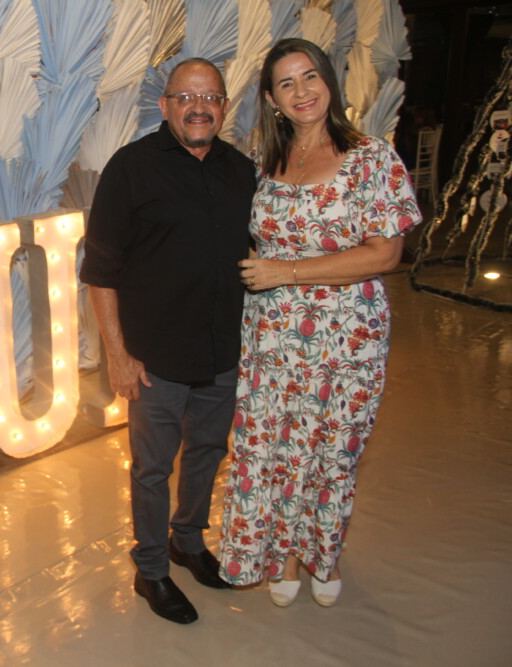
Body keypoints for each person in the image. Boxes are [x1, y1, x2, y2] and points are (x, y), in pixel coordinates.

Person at [218, 38, 421, 607]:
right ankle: (282, 558)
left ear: (328, 80)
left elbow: (385, 254)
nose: (301, 91)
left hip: (346, 338)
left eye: (310, 76)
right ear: (272, 99)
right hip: (271, 336)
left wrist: (286, 271)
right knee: (273, 449)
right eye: (286, 83)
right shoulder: (264, 160)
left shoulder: (371, 157)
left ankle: (322, 556)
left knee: (332, 452)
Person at [80, 58, 255, 624]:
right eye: (186, 97)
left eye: (210, 97)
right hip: (154, 359)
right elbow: (100, 272)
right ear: (165, 106)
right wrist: (118, 355)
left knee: (208, 453)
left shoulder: (241, 170)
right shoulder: (131, 168)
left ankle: (188, 541)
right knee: (152, 469)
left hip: (222, 353)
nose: (198, 107)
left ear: (224, 107)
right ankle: (151, 569)